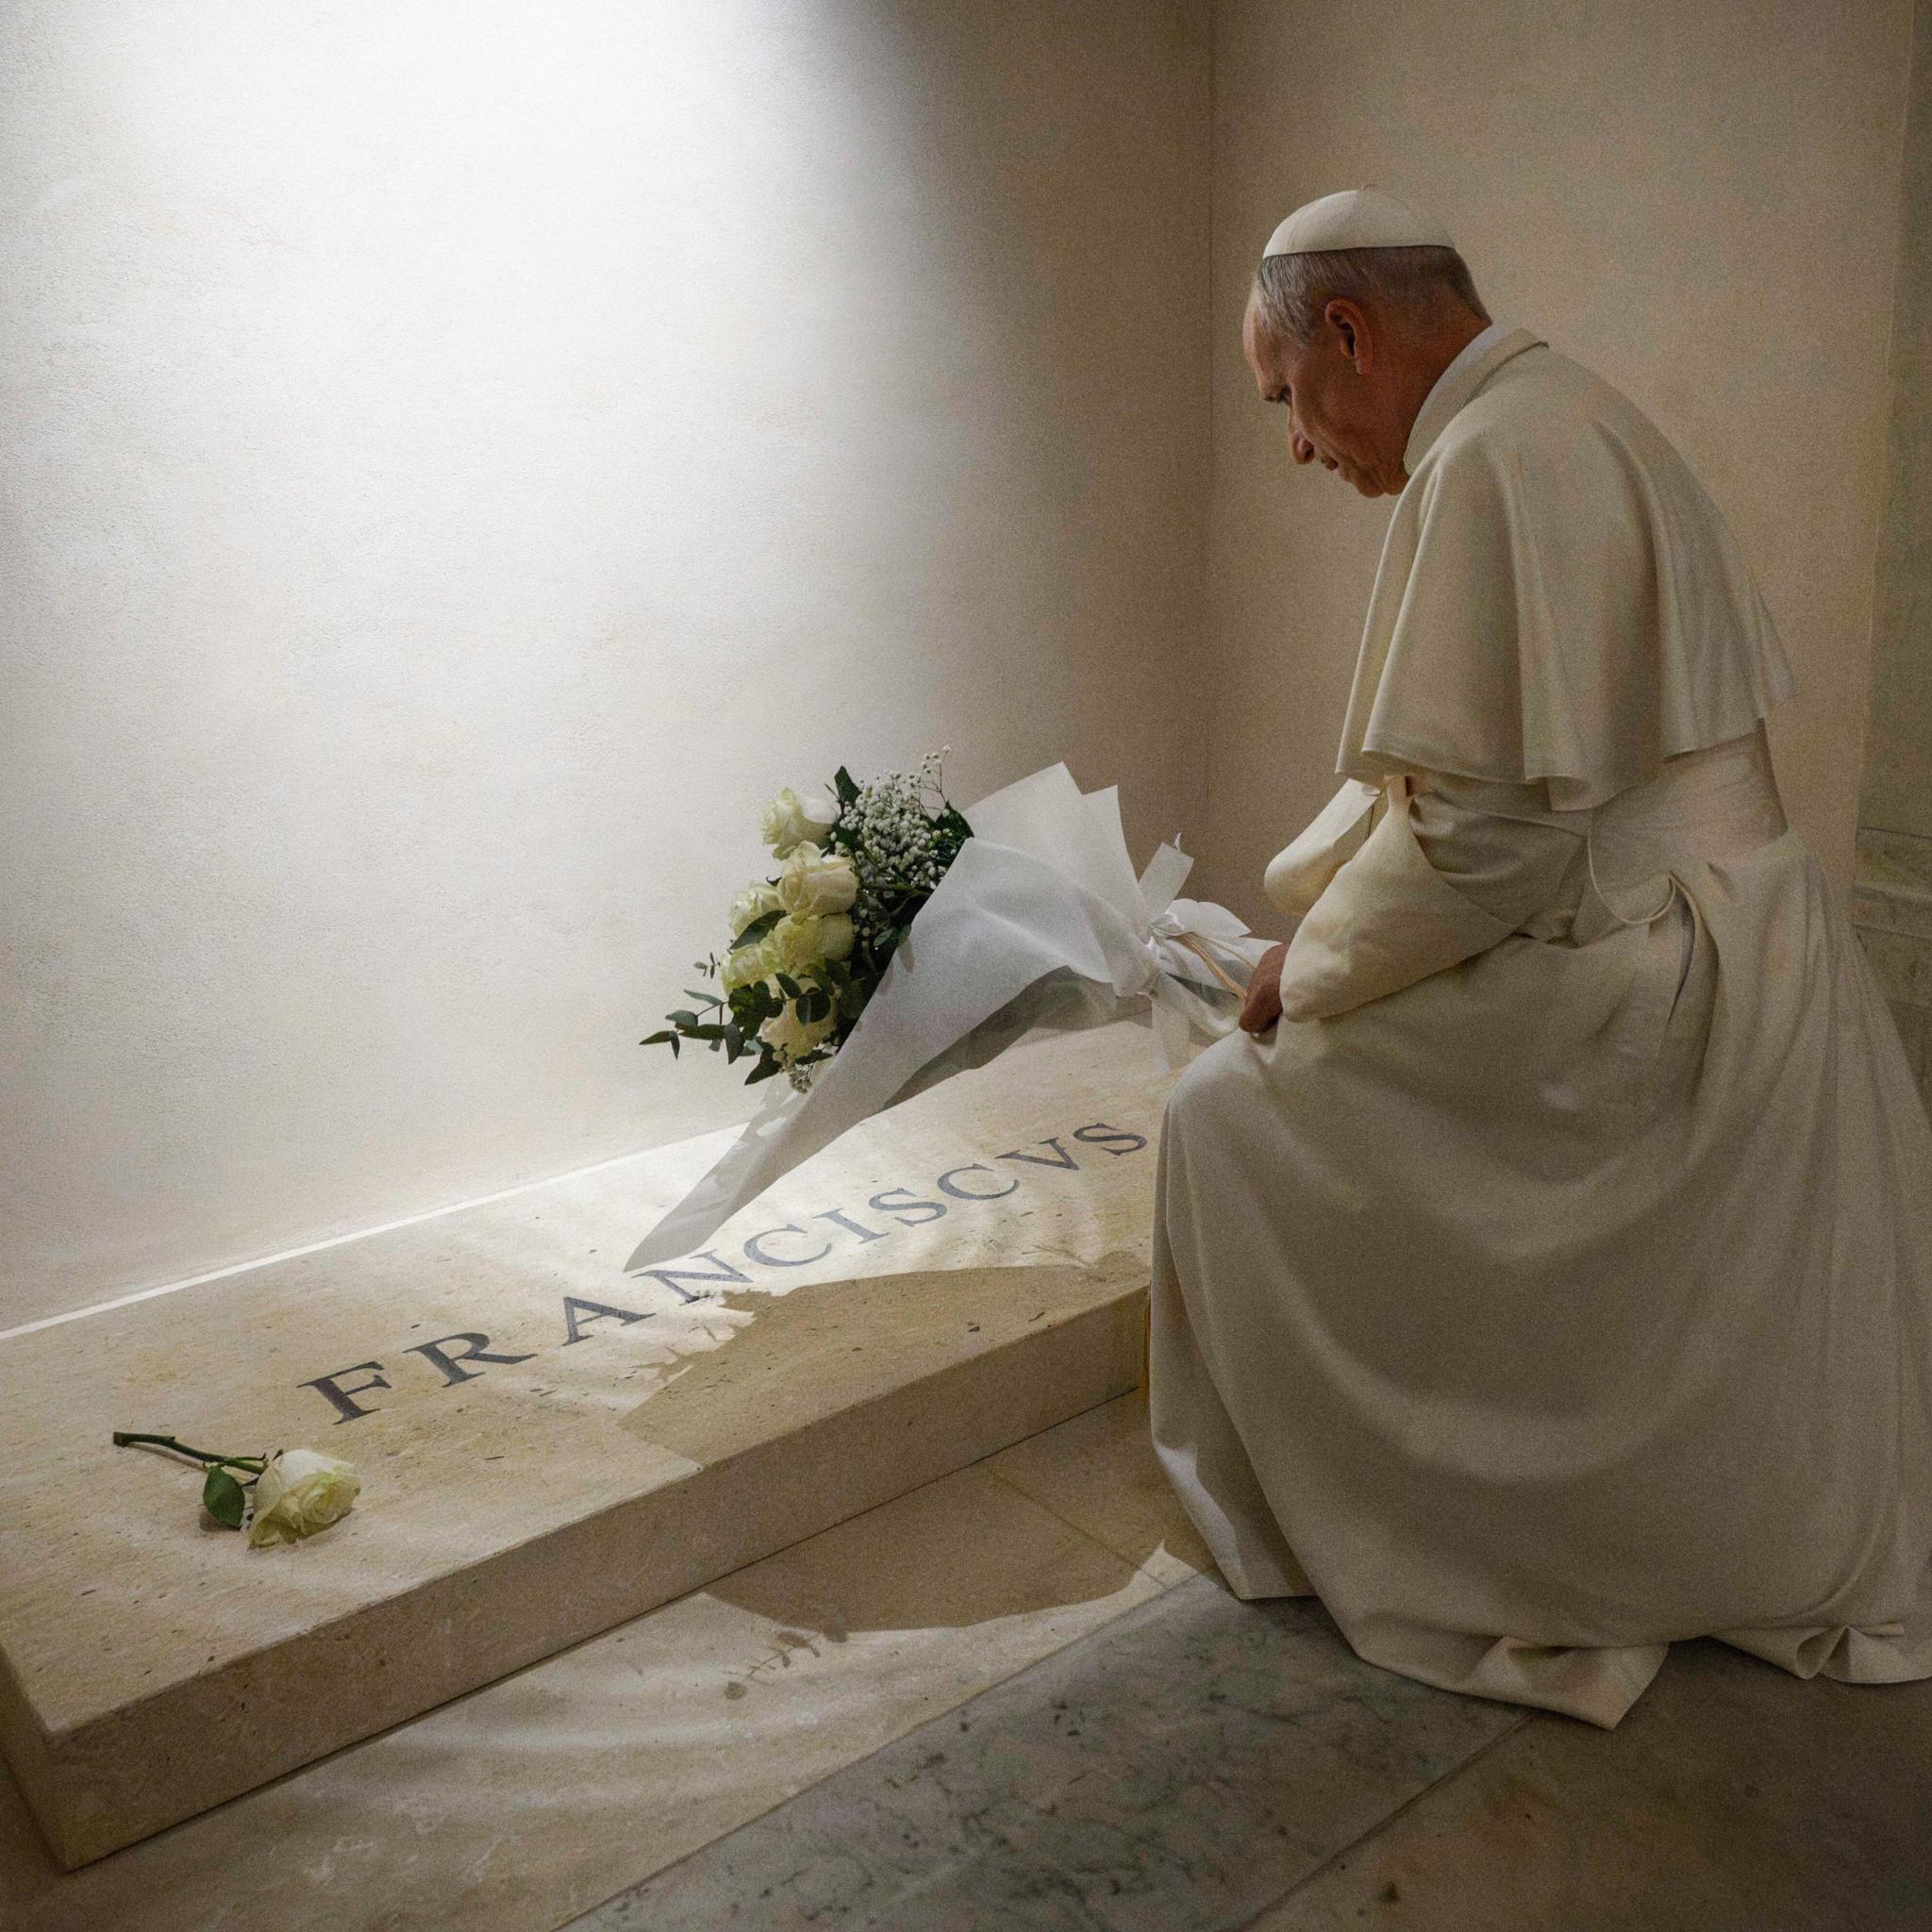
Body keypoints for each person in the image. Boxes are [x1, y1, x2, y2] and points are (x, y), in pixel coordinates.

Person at [1148, 186, 1932, 1727]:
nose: (1299, 446)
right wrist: (1318, 901)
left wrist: (1301, 973)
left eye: (1288, 401)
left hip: (1654, 972)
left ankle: (1426, 1530)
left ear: (1354, 337)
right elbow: (1469, 784)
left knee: (1222, 1118)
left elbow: (1487, 841)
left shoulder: (1499, 456)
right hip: (1738, 945)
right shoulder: (1566, 412)